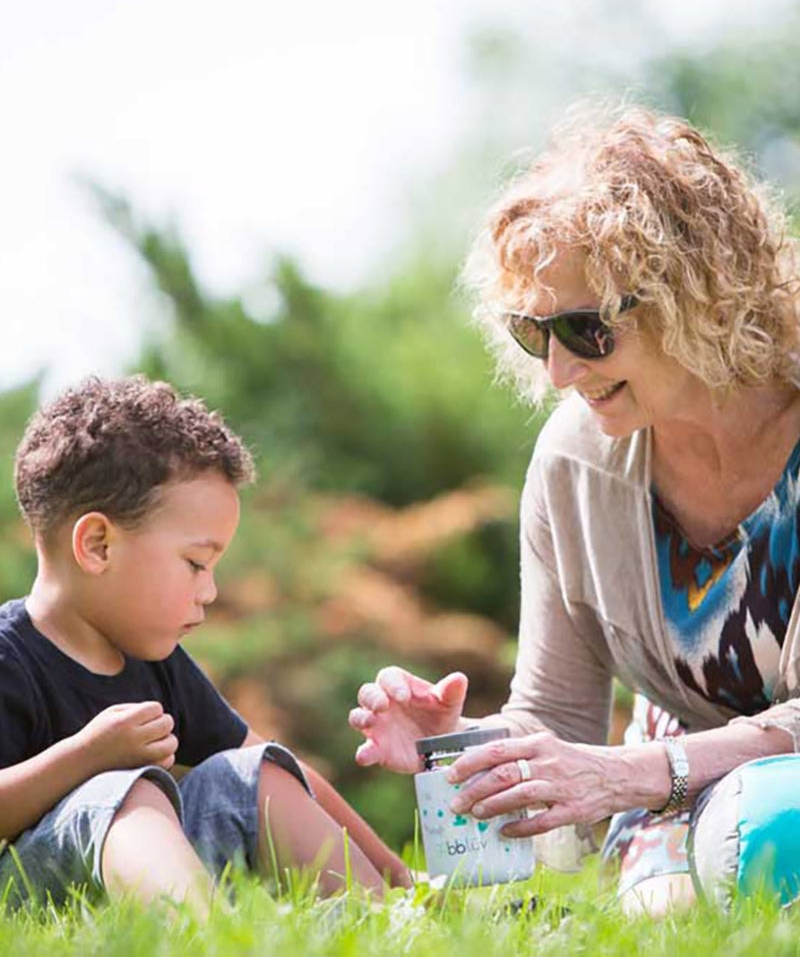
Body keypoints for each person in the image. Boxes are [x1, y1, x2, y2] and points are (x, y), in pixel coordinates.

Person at [349, 104, 800, 915]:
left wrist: (635, 774)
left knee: (767, 829)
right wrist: (457, 754)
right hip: (678, 809)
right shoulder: (574, 462)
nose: (557, 370)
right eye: (533, 333)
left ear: (695, 295)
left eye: (586, 329)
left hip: (740, 803)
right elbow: (557, 716)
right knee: (674, 905)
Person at [4, 375, 409, 913]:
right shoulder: (11, 660)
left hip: (133, 887)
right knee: (127, 790)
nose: (210, 592)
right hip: (24, 895)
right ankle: (211, 937)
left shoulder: (160, 664)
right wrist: (89, 756)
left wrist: (397, 872)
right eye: (195, 564)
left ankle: (384, 918)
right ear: (98, 545)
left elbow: (279, 768)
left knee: (253, 772)